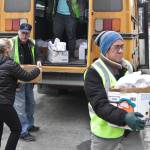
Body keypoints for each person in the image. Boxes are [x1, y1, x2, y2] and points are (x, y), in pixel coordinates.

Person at [84, 31, 146, 150]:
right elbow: (100, 105)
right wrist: (125, 117)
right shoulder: (93, 72)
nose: (121, 51)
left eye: (122, 46)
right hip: (106, 134)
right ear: (106, 49)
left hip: (129, 131)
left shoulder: (127, 66)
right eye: (116, 47)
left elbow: (135, 93)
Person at [0, 38, 40, 150]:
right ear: (7, 49)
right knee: (16, 129)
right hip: (4, 104)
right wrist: (38, 69)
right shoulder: (10, 64)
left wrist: (14, 85)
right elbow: (27, 77)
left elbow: (4, 79)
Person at [10, 23, 41, 142]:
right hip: (17, 79)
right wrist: (14, 82)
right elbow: (7, 62)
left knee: (31, 103)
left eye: (27, 33)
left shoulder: (31, 42)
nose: (24, 35)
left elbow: (38, 55)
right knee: (20, 106)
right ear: (18, 32)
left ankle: (29, 125)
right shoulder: (12, 43)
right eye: (22, 33)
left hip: (28, 78)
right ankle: (22, 131)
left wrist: (38, 61)